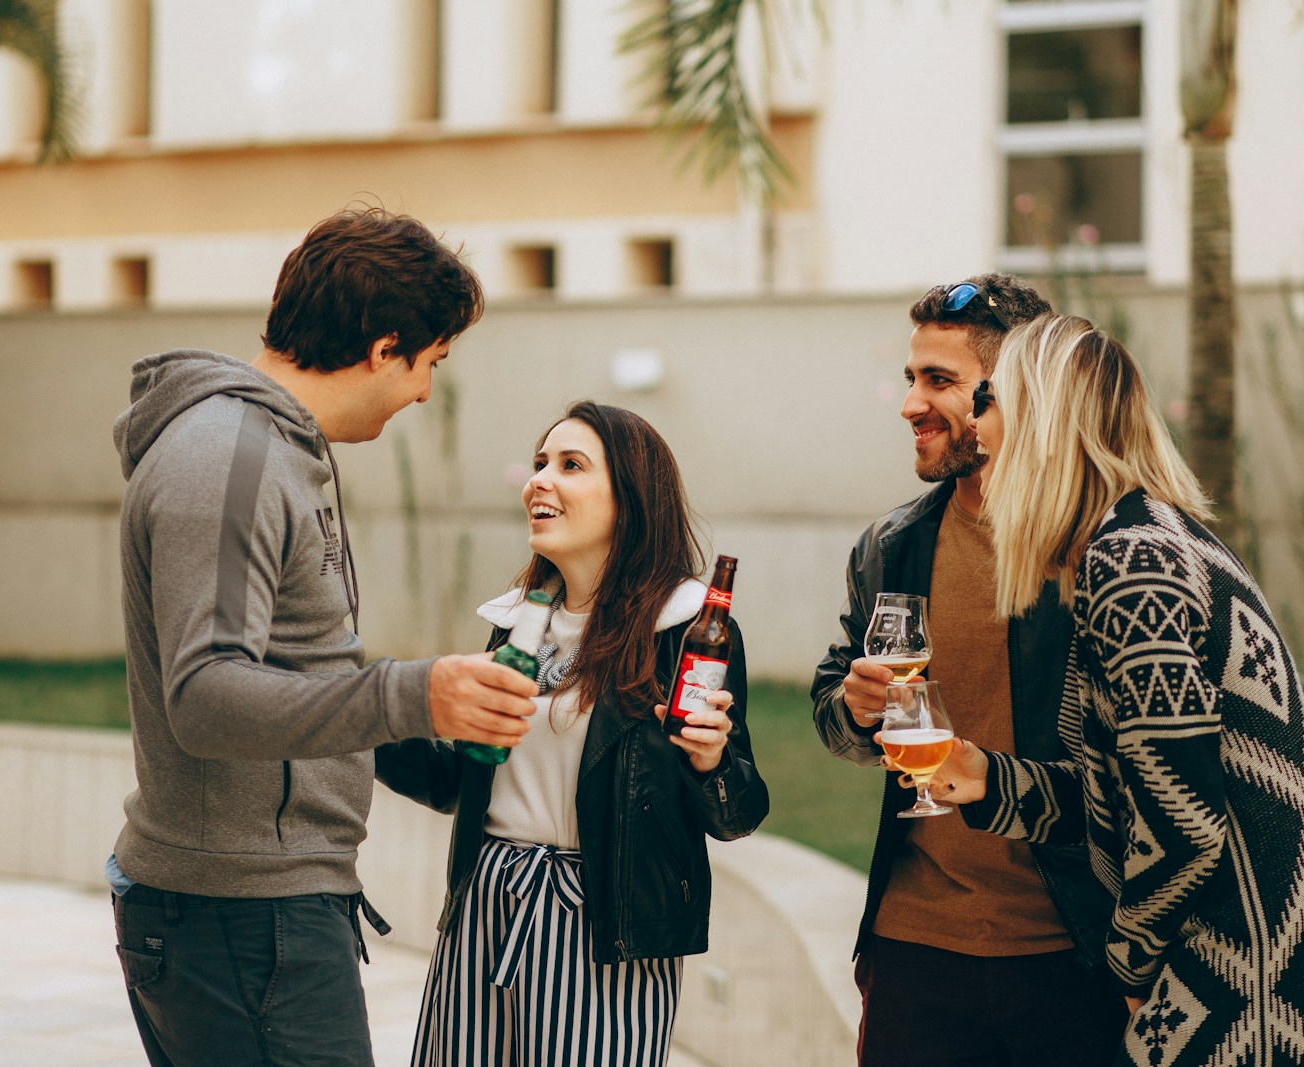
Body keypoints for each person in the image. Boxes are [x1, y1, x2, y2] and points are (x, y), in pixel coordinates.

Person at [927, 313, 1304, 1066]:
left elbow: (1182, 820)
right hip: (1302, 968)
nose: (977, 424)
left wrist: (1131, 965)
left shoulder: (1133, 563)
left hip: (1263, 989)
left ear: (1041, 420)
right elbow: (1139, 788)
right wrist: (988, 780)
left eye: (989, 398)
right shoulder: (1155, 538)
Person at [108, 206, 540, 1067]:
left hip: (251, 912)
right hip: (242, 919)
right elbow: (207, 697)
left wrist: (427, 739)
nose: (423, 392)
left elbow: (295, 670)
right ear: (386, 348)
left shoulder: (265, 448)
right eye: (431, 363)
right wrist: (414, 692)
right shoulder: (230, 457)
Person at [375, 400, 770, 1067]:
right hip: (486, 900)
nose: (539, 480)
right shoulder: (517, 624)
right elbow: (459, 777)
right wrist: (357, 716)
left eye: (570, 465)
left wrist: (710, 761)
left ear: (631, 498)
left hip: (605, 920)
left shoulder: (686, 629)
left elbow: (740, 810)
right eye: (538, 463)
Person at [811, 275, 1127, 1066]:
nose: (911, 402)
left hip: (1071, 947)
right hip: (914, 946)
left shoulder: (1101, 554)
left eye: (940, 381)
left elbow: (1136, 778)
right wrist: (851, 707)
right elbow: (832, 705)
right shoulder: (894, 545)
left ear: (1013, 392)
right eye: (912, 377)